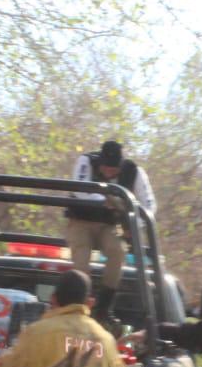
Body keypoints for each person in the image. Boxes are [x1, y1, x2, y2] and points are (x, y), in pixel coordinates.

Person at [65, 140, 155, 326]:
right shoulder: (86, 161)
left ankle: (104, 306)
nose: (108, 172)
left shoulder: (134, 172)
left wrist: (134, 225)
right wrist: (103, 198)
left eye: (113, 169)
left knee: (118, 250)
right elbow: (79, 188)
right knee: (81, 258)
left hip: (110, 224)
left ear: (120, 166)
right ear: (100, 161)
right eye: (105, 167)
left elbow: (148, 204)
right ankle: (81, 305)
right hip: (81, 220)